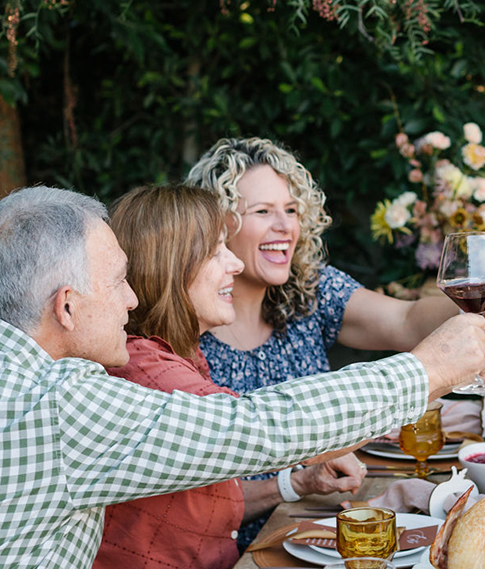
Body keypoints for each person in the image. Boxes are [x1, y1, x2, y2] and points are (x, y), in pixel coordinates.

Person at [0, 186, 485, 568]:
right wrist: (430, 368)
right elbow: (259, 426)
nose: (130, 300)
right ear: (66, 307)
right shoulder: (52, 401)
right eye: (119, 283)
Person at [185, 136, 470, 546]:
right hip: (232, 551)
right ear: (216, 225)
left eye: (291, 210)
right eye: (263, 211)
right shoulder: (183, 327)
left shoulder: (309, 290)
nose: (285, 226)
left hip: (316, 531)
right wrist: (293, 482)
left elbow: (407, 320)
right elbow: (184, 506)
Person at [93, 184, 369, 569]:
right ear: (171, 268)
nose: (235, 265)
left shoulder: (175, 355)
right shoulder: (148, 372)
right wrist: (429, 371)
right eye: (216, 252)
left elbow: (207, 505)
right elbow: (266, 430)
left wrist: (298, 484)